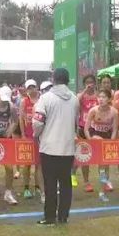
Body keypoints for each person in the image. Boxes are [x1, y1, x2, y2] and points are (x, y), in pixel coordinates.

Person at [33, 68, 80, 225]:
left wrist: (37, 134)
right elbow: (76, 123)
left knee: (50, 184)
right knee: (66, 183)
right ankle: (63, 216)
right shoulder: (74, 99)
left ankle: (50, 217)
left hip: (49, 147)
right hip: (68, 147)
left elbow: (37, 122)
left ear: (53, 79)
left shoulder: (45, 98)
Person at [84, 88, 119, 200]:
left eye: (104, 97)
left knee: (104, 166)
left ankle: (102, 189)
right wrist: (90, 140)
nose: (101, 99)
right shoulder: (93, 111)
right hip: (94, 136)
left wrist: (111, 143)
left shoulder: (114, 112)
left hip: (107, 138)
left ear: (109, 99)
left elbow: (115, 130)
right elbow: (86, 128)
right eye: (99, 97)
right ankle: (88, 182)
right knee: (97, 164)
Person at [17, 80, 43, 199]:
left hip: (40, 136)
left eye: (33, 87)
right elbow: (21, 119)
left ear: (37, 87)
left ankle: (37, 186)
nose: (32, 89)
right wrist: (23, 134)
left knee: (39, 163)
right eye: (29, 88)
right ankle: (26, 188)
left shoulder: (42, 100)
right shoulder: (24, 101)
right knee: (27, 164)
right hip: (28, 135)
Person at [77, 75, 100, 192]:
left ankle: (104, 180)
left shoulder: (98, 96)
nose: (90, 84)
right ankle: (86, 181)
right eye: (87, 82)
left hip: (97, 128)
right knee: (85, 155)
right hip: (83, 128)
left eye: (91, 82)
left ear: (95, 83)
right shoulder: (81, 96)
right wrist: (85, 91)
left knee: (100, 155)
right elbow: (76, 101)